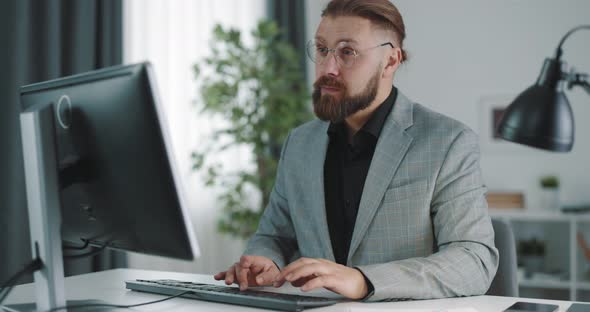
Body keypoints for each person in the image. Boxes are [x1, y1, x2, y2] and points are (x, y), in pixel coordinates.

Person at [214, 0, 498, 301]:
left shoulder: (448, 142)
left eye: (347, 52)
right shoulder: (299, 143)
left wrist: (364, 280)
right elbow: (275, 236)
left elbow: (474, 260)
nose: (328, 68)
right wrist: (265, 260)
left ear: (390, 61)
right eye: (322, 50)